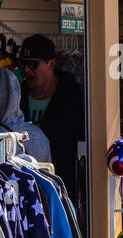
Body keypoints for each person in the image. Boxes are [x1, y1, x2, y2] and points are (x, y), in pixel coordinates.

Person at [18, 35, 84, 190]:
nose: (26, 70)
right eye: (23, 63)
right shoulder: (16, 98)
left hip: (63, 186)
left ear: (51, 64)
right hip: (25, 185)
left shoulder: (73, 98)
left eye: (33, 64)